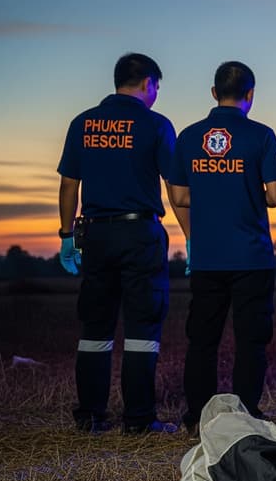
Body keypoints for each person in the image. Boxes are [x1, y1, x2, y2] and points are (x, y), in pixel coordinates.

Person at [57, 52, 188, 434]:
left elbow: (69, 184)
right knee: (142, 327)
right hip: (139, 233)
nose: (156, 93)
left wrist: (67, 235)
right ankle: (139, 419)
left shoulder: (83, 123)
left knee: (95, 325)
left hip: (96, 233)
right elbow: (176, 189)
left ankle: (92, 417)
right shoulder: (156, 124)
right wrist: (193, 238)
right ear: (148, 83)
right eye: (157, 87)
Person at [169, 61, 276, 436]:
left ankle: (197, 417)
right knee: (251, 339)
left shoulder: (188, 137)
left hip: (207, 256)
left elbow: (179, 195)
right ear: (250, 94)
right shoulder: (261, 135)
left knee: (202, 338)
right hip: (251, 256)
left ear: (213, 92)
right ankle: (246, 414)